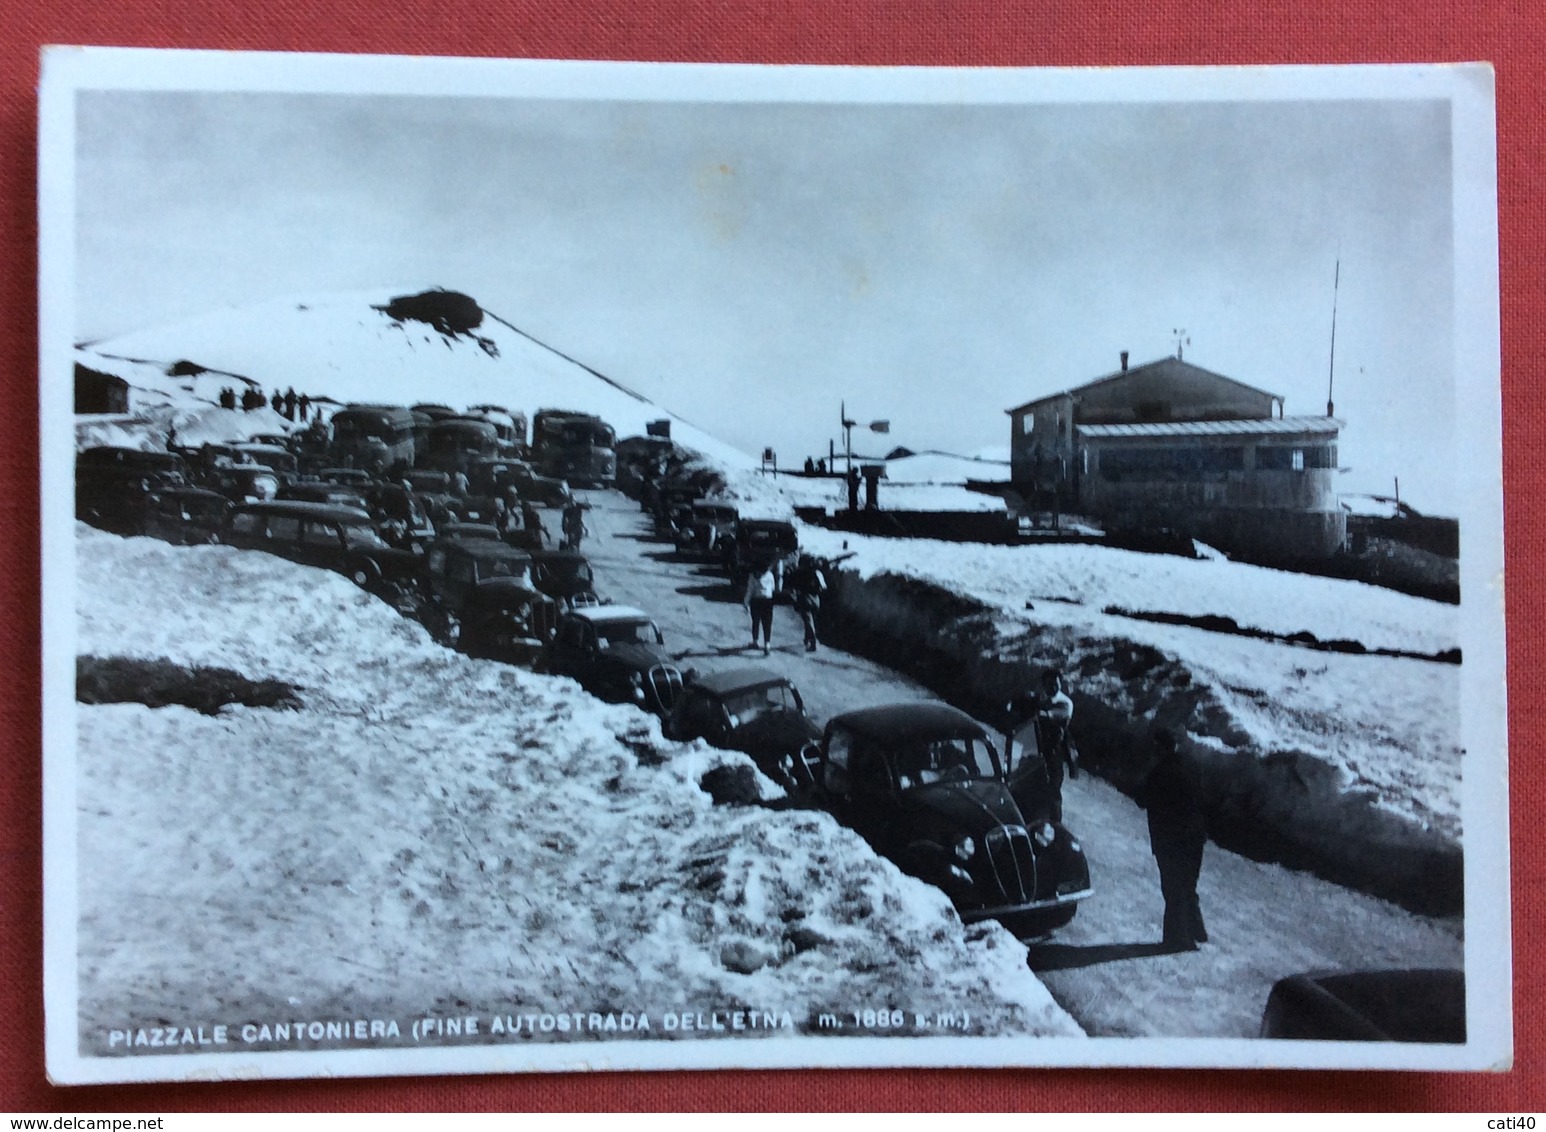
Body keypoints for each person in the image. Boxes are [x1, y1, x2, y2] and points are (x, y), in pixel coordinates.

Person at [1133, 729, 1209, 951]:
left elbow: (1141, 799)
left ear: (1160, 749)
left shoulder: (1159, 774)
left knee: (1173, 888)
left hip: (1170, 840)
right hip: (1194, 837)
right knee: (1188, 884)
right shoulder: (1190, 768)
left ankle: (1177, 939)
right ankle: (1196, 931)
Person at [1007, 668, 1077, 821]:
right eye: (1050, 684)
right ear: (1044, 685)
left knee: (1053, 792)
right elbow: (1018, 704)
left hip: (1053, 753)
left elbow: (1054, 715)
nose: (1053, 688)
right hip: (1033, 750)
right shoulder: (1039, 699)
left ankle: (1056, 824)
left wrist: (1038, 710)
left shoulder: (1065, 703)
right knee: (1025, 784)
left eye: (1056, 684)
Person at [787, 554, 827, 652]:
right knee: (811, 620)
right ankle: (807, 639)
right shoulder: (818, 573)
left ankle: (813, 643)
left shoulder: (800, 572)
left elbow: (792, 585)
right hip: (816, 600)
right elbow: (824, 587)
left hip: (805, 599)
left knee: (808, 621)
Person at [742, 555, 781, 654]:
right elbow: (772, 588)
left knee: (756, 622)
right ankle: (767, 644)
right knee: (767, 623)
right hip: (768, 600)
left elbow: (750, 590)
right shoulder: (770, 575)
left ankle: (755, 641)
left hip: (756, 600)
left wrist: (745, 602)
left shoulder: (752, 575)